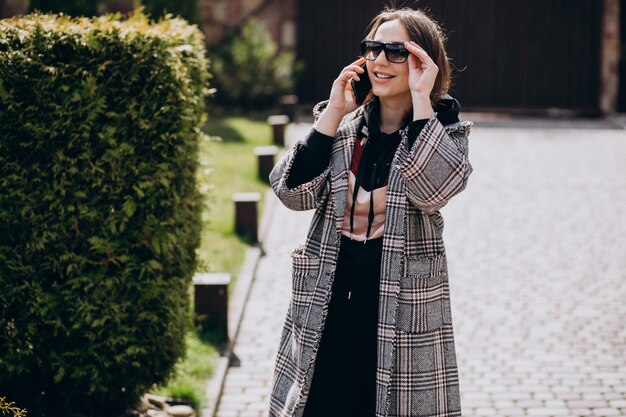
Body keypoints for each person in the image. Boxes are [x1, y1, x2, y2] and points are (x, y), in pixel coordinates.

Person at [267, 7, 473, 417]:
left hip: (402, 305)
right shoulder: (343, 129)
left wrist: (420, 99)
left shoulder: (444, 131)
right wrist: (333, 113)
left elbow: (434, 190)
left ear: (424, 62)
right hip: (327, 300)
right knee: (318, 403)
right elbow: (290, 192)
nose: (379, 61)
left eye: (395, 51)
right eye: (373, 49)